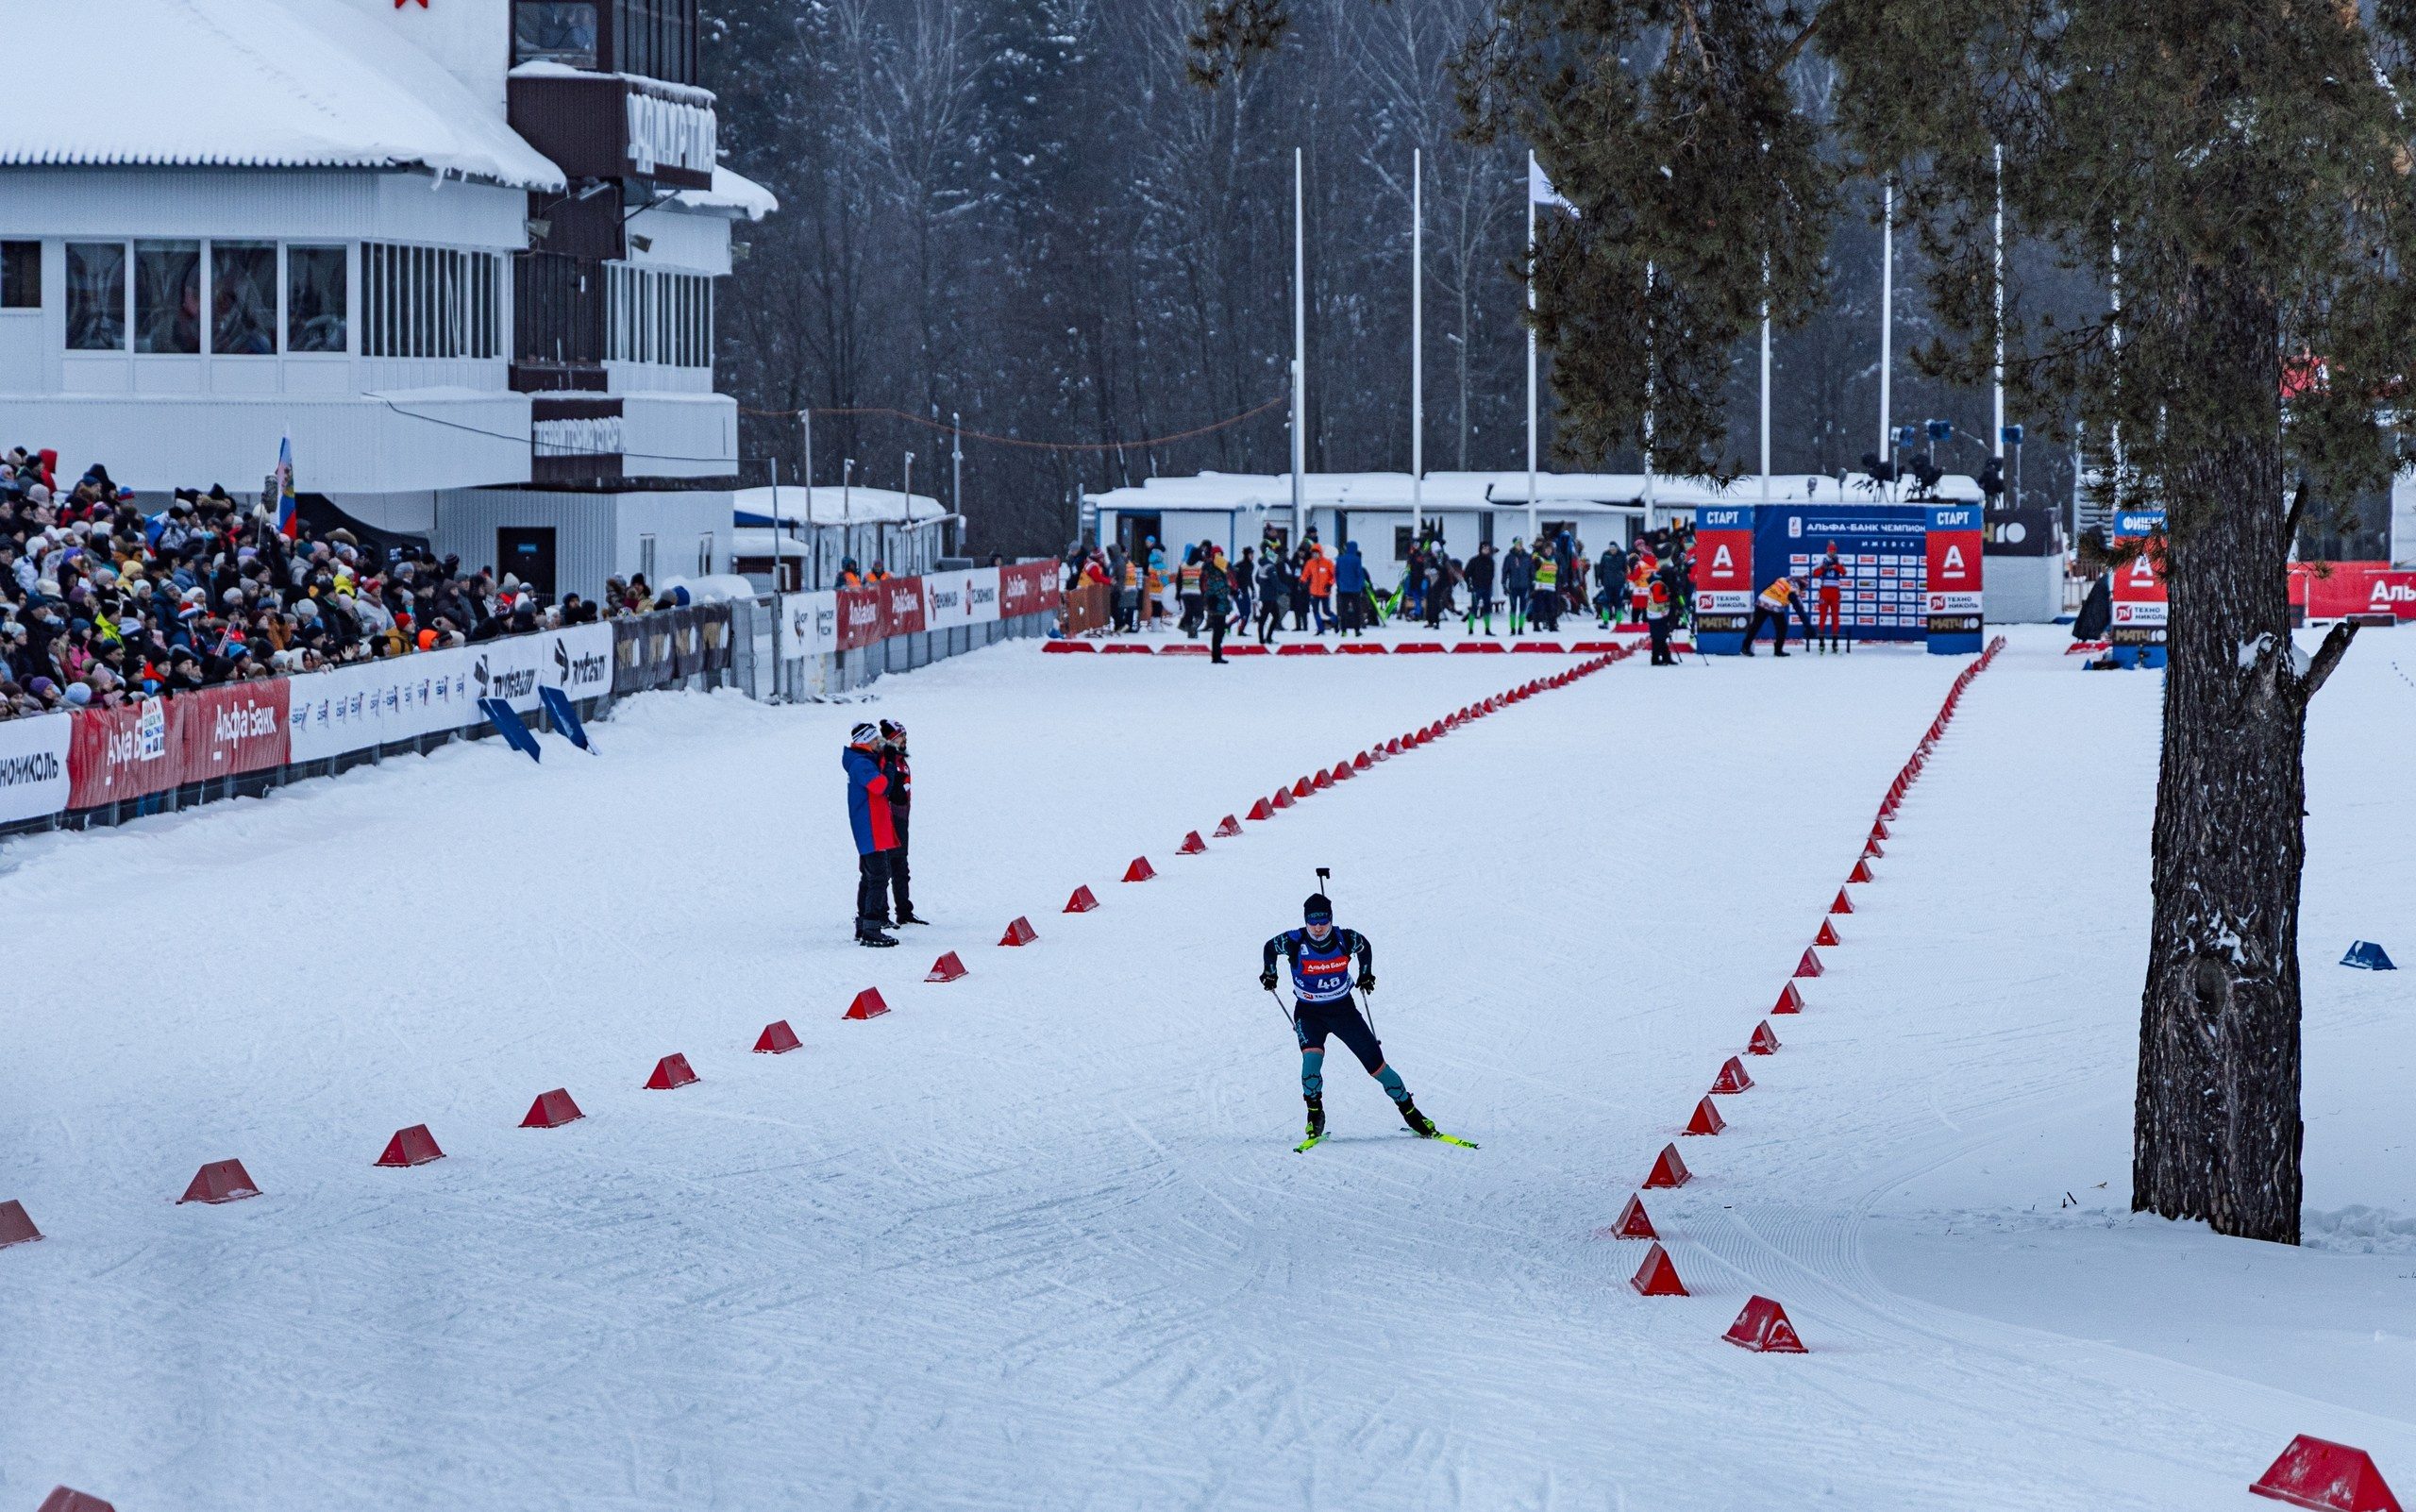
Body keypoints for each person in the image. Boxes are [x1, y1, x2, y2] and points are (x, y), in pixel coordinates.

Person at [1259, 893, 1444, 1145]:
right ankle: (1315, 1115)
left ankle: (1412, 1114)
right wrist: (1270, 973)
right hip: (1309, 1013)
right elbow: (1270, 947)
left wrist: (1365, 973)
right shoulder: (1294, 940)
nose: (1318, 927)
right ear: (1305, 921)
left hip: (1343, 1011)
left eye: (1323, 921)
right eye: (1312, 922)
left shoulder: (1345, 938)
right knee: (1311, 1063)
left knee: (1378, 1067)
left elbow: (1364, 945)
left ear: (1330, 919)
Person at [845, 722, 901, 946]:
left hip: (871, 827)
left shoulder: (862, 760)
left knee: (869, 878)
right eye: (876, 740)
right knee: (878, 877)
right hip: (870, 829)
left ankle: (864, 925)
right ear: (866, 741)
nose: (879, 742)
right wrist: (889, 764)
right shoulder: (861, 764)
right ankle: (871, 928)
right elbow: (882, 787)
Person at [878, 718, 924, 925]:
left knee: (901, 867)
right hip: (888, 820)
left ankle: (904, 912)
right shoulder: (885, 760)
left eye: (904, 736)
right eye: (900, 736)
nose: (904, 739)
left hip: (902, 819)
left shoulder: (900, 760)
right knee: (885, 868)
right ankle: (881, 914)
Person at [1743, 573, 1805, 656]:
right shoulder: (1794, 590)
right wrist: (1808, 626)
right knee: (1782, 627)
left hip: (1762, 600)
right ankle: (1778, 650)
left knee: (1756, 625)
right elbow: (1799, 609)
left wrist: (1769, 596)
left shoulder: (1782, 579)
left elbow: (1765, 588)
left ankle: (1745, 647)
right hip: (1775, 605)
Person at [1810, 543, 1849, 652]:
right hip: (1824, 592)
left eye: (1833, 551)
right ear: (1827, 551)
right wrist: (1823, 568)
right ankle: (1821, 641)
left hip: (1835, 592)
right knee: (1822, 617)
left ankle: (1835, 642)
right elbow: (1815, 573)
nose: (1831, 553)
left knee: (1835, 617)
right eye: (1830, 551)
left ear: (1835, 552)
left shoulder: (1839, 560)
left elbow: (1844, 573)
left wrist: (1837, 565)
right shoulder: (1822, 560)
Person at [1201, 546, 1234, 662]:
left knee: (1219, 631)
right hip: (1217, 604)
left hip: (1218, 604)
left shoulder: (1217, 570)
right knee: (1218, 631)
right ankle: (1216, 656)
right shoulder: (1214, 572)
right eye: (1218, 555)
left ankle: (1217, 655)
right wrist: (1228, 588)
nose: (1220, 557)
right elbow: (1219, 589)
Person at [1256, 550, 1292, 646]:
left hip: (1265, 595)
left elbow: (1257, 579)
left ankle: (1266, 638)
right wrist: (1287, 589)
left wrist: (1264, 586)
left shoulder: (1261, 566)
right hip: (1270, 596)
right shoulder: (1271, 568)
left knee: (1272, 617)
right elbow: (1276, 582)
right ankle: (1263, 639)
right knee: (1268, 617)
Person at [1334, 540, 1368, 636]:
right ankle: (1357, 630)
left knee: (1343, 610)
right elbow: (1360, 574)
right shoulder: (1357, 560)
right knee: (1357, 610)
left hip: (1343, 589)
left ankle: (1344, 631)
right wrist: (1361, 586)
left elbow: (1336, 573)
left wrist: (1339, 584)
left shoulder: (1340, 559)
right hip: (1355, 590)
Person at [1463, 542, 1497, 635]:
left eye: (1487, 549)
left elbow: (1492, 574)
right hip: (1476, 588)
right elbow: (1466, 573)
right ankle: (1470, 629)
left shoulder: (1491, 561)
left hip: (1487, 588)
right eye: (1484, 548)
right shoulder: (1474, 561)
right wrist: (1470, 584)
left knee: (1487, 608)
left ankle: (1487, 629)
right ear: (1480, 549)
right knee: (1474, 608)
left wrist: (1489, 583)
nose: (1486, 550)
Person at [1502, 539, 1533, 636]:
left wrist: (1533, 582)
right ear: (1514, 545)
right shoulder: (1509, 557)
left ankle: (1521, 628)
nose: (1519, 545)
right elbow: (1505, 571)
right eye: (1517, 544)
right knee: (1513, 608)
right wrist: (1504, 584)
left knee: (1523, 608)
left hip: (1525, 586)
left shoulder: (1527, 556)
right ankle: (1512, 628)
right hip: (1513, 587)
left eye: (1521, 543)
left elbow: (1532, 571)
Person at [1530, 544, 1562, 633]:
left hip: (1551, 587)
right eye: (1547, 549)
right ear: (1544, 550)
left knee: (1551, 607)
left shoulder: (1554, 560)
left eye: (1550, 549)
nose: (1548, 551)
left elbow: (1557, 573)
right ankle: (1536, 626)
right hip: (1540, 586)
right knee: (1538, 607)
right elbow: (1532, 569)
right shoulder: (1539, 559)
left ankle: (1552, 626)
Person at [1645, 575, 1677, 664]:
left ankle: (1665, 657)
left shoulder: (1660, 584)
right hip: (1656, 615)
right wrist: (1668, 596)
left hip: (1659, 614)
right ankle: (1655, 658)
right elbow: (1657, 599)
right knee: (1658, 637)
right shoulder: (1658, 584)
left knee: (1662, 637)